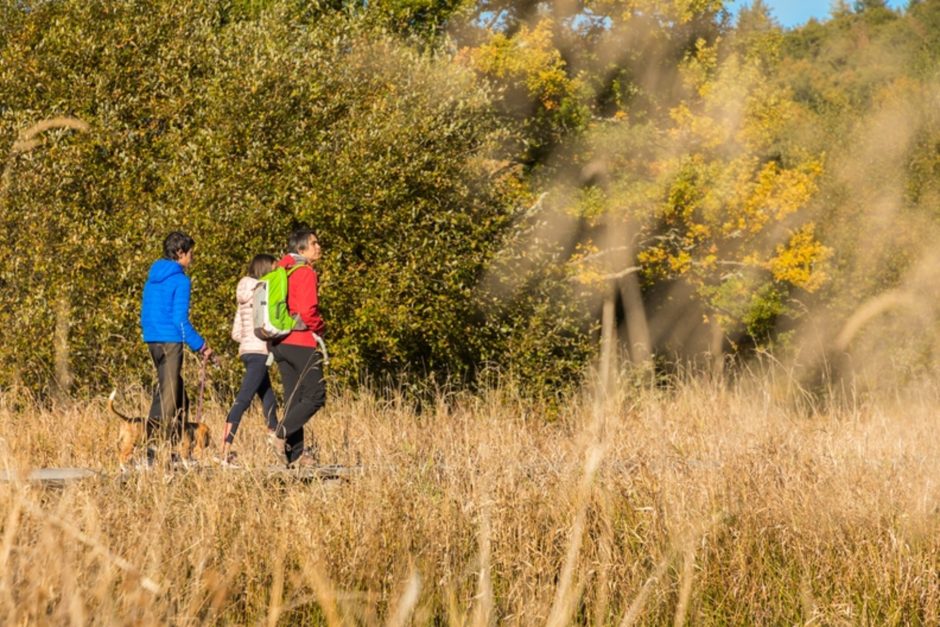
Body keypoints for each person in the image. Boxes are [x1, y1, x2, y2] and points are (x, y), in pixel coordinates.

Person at [140, 231, 214, 442]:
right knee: (169, 395)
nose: (192, 258)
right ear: (180, 253)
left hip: (152, 338)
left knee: (177, 393)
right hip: (169, 339)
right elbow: (180, 321)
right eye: (190, 253)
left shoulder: (153, 278)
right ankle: (154, 446)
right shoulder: (181, 280)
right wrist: (201, 346)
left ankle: (180, 442)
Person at [271, 227, 326, 467]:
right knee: (316, 396)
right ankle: (280, 434)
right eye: (314, 243)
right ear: (301, 249)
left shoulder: (284, 271)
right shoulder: (305, 272)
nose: (318, 247)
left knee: (294, 399)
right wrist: (321, 327)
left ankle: (296, 456)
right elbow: (307, 311)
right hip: (301, 341)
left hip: (280, 343)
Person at [220, 254, 279, 465]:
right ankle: (225, 449)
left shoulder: (243, 293)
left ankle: (276, 439)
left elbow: (236, 333)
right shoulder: (262, 290)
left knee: (268, 396)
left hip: (247, 350)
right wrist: (281, 332)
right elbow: (265, 325)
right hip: (260, 351)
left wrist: (248, 339)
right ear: (266, 269)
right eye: (274, 267)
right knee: (243, 399)